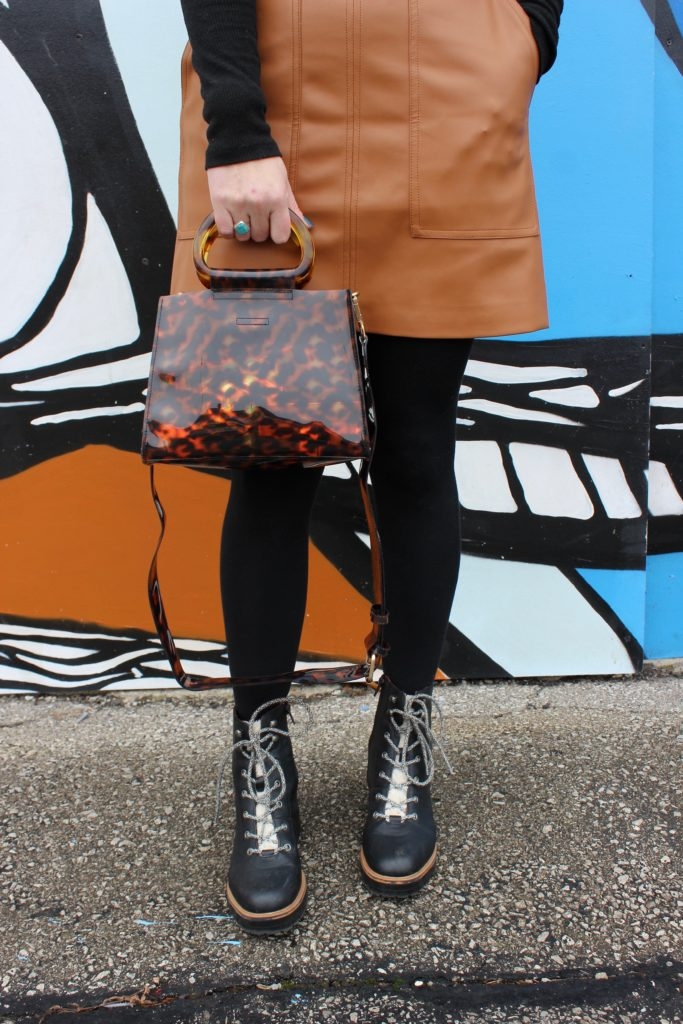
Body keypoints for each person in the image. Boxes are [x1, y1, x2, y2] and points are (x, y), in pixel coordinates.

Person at [177, 0, 563, 935]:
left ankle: (404, 740)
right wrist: (234, 131)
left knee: (422, 447)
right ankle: (261, 767)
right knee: (270, 456)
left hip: (449, 96)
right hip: (277, 102)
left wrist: (524, 35)